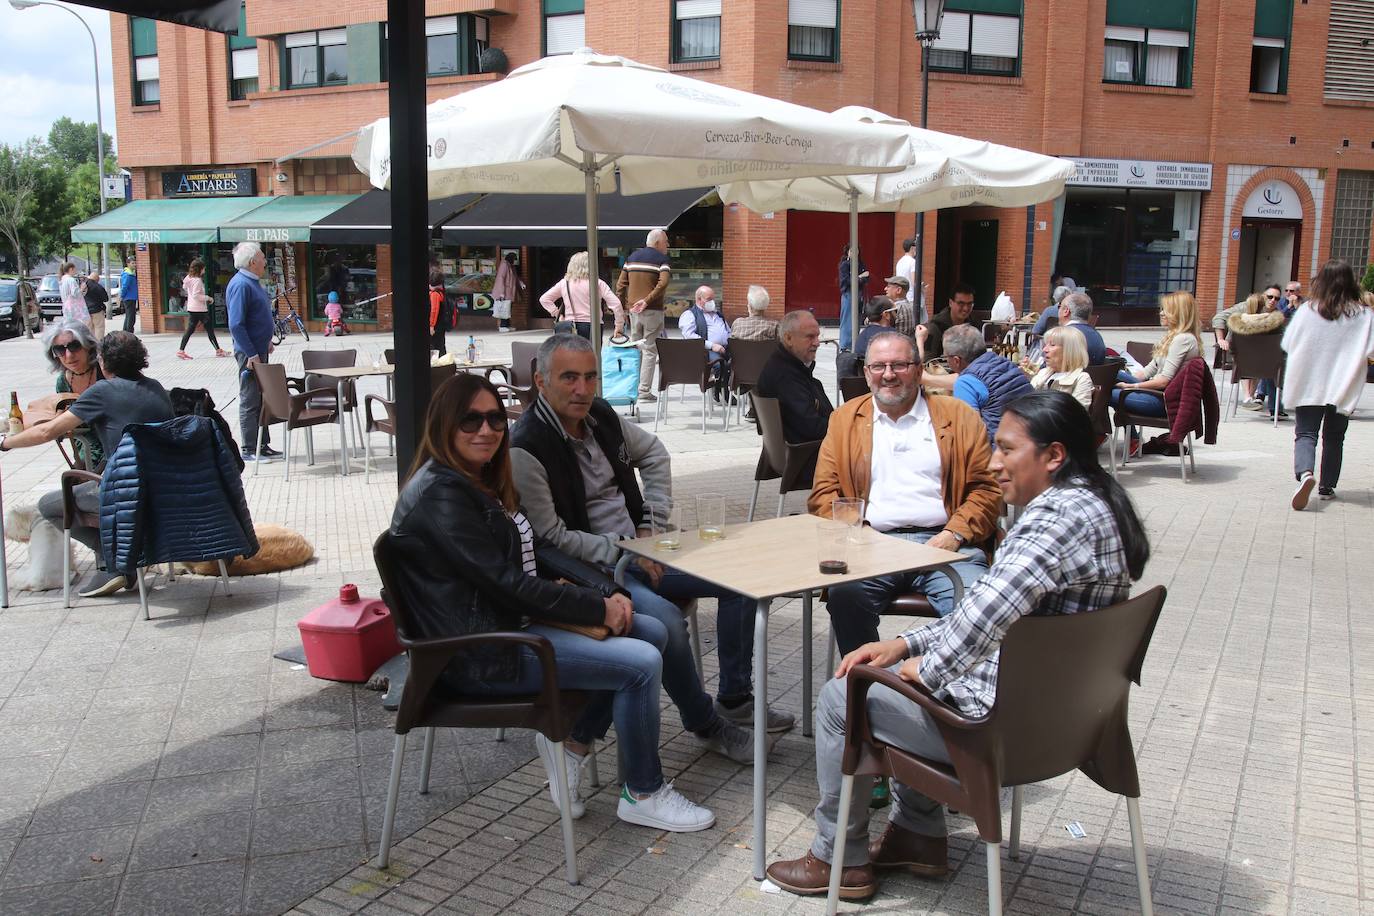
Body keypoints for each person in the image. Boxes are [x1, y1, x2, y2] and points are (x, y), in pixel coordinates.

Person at [767, 390, 1150, 900]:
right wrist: (904, 644)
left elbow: (983, 618)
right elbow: (990, 610)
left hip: (1004, 731)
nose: (994, 463)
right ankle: (917, 837)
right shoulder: (1100, 503)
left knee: (846, 695)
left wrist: (922, 669)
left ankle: (840, 859)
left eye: (1008, 450)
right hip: (1076, 723)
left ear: (1053, 455)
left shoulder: (1056, 519)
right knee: (895, 679)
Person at [390, 371, 715, 831]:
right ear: (444, 426)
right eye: (470, 421)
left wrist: (609, 591)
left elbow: (538, 550)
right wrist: (596, 608)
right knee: (639, 661)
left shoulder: (474, 479)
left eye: (494, 419)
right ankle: (643, 791)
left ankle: (573, 744)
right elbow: (508, 584)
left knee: (653, 628)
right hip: (479, 651)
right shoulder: (444, 495)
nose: (486, 431)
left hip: (507, 625)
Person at [509, 335, 759, 765]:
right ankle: (704, 724)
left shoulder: (601, 415)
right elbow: (551, 538)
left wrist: (650, 524)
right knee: (664, 624)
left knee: (740, 576)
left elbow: (655, 454)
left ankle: (734, 697)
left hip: (643, 548)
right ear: (541, 381)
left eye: (590, 377)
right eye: (569, 378)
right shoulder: (526, 447)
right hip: (594, 571)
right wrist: (626, 550)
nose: (582, 389)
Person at [810, 331, 1001, 657]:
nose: (888, 374)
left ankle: (943, 693)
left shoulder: (959, 417)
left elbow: (986, 489)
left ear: (918, 368)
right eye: (879, 366)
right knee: (846, 596)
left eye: (899, 365)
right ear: (866, 372)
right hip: (872, 546)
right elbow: (823, 495)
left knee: (977, 607)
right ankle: (864, 688)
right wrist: (862, 534)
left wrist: (954, 534)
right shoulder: (845, 420)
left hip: (946, 545)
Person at [0, 332, 174, 597]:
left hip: (124, 492)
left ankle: (113, 561)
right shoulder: (157, 388)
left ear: (102, 362)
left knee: (49, 505)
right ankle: (121, 561)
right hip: (164, 488)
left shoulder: (102, 391)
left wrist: (5, 444)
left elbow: (48, 432)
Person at [1282, 259, 1374, 509]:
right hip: (1343, 384)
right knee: (1334, 437)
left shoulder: (1307, 310)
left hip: (1309, 380)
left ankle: (1305, 474)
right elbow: (1371, 349)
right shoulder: (1364, 315)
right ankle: (1327, 486)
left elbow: (1288, 343)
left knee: (1305, 433)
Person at [1111, 290, 1203, 457]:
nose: (1161, 313)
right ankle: (1129, 439)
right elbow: (1148, 371)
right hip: (1154, 394)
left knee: (1106, 392)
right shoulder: (1172, 337)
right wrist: (1125, 377)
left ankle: (1117, 437)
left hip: (1162, 402)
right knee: (1108, 373)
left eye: (1165, 309)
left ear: (1178, 312)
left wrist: (1131, 385)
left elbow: (1163, 381)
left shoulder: (1183, 340)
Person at [756, 310, 834, 483]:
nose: (817, 343)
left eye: (818, 336)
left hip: (797, 452)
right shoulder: (785, 376)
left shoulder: (790, 366)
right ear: (789, 338)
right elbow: (812, 428)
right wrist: (845, 429)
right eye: (810, 337)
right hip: (803, 457)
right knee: (865, 454)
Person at [935, 324, 1034, 448]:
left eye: (946, 357)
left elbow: (967, 433)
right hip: (1032, 443)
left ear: (956, 360)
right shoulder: (1005, 363)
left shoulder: (965, 383)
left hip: (1000, 454)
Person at [226, 241, 281, 463]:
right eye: (261, 257)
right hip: (250, 354)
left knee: (261, 397)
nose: (264, 261)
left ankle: (263, 444)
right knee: (250, 399)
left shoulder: (251, 282)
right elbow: (236, 324)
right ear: (252, 262)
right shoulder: (241, 284)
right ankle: (249, 447)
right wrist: (251, 353)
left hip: (259, 350)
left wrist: (266, 340)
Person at [615, 229, 672, 402]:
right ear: (657, 243)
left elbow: (620, 285)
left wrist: (623, 308)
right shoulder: (662, 260)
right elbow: (663, 283)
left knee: (636, 348)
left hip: (634, 312)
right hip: (652, 311)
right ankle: (644, 391)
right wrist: (646, 301)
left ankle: (633, 386)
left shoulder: (631, 258)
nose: (668, 245)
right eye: (666, 241)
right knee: (649, 350)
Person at [42, 318, 106, 467]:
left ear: (88, 345)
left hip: (113, 446)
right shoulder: (62, 382)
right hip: (85, 449)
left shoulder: (104, 371)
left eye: (74, 346)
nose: (69, 355)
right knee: (73, 482)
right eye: (60, 350)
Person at [540, 251, 622, 340]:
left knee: (572, 353)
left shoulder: (565, 283)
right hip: (594, 325)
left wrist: (557, 314)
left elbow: (544, 299)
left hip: (570, 325)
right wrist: (619, 325)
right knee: (592, 352)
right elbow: (616, 304)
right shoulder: (598, 283)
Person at [679, 284, 731, 401]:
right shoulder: (690, 314)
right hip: (704, 350)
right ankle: (721, 390)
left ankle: (728, 386)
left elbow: (728, 331)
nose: (712, 302)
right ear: (699, 300)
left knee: (740, 362)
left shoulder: (717, 314)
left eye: (713, 299)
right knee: (718, 364)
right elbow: (689, 336)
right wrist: (712, 345)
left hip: (725, 347)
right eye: (709, 299)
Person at [1029, 325, 1093, 409]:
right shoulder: (1043, 372)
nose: (1045, 349)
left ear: (1069, 350)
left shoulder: (1081, 378)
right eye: (1045, 344)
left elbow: (1077, 415)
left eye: (1052, 345)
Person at [176, 259, 228, 359]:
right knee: (209, 330)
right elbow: (196, 295)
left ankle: (181, 350)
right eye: (203, 268)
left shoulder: (189, 278)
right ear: (200, 269)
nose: (204, 270)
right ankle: (218, 350)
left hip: (191, 308)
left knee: (190, 330)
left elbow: (184, 286)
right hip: (200, 309)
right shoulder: (198, 281)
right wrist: (208, 298)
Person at [918, 282, 975, 361]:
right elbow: (927, 361)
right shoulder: (935, 327)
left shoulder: (972, 324)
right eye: (961, 304)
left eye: (969, 304)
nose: (966, 308)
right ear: (950, 303)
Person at [1055, 291, 1107, 366]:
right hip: (1096, 377)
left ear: (1066, 311)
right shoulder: (1097, 336)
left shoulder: (1061, 336)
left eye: (1059, 307)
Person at [837, 244, 868, 352]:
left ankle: (855, 343)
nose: (854, 252)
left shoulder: (860, 264)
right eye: (852, 250)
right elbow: (846, 281)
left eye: (856, 250)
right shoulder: (845, 265)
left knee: (857, 318)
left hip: (859, 294)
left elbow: (867, 277)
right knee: (847, 319)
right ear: (848, 252)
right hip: (848, 294)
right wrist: (859, 277)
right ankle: (845, 345)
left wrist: (859, 278)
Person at [491, 251, 525, 333]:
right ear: (510, 258)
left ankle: (507, 325)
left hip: (510, 292)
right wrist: (501, 292)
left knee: (508, 308)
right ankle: (502, 326)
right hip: (504, 292)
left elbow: (516, 277)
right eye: (513, 259)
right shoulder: (504, 265)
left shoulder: (511, 266)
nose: (514, 261)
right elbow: (501, 278)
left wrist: (521, 284)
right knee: (504, 308)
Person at [81, 269, 108, 341]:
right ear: (97, 279)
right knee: (99, 327)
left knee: (89, 328)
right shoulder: (98, 287)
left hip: (86, 310)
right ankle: (98, 344)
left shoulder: (83, 285)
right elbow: (106, 298)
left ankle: (89, 343)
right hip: (97, 310)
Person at [428, 270, 449, 356]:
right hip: (440, 325)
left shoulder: (435, 294)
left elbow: (434, 310)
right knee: (440, 346)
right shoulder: (441, 292)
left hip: (436, 326)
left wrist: (431, 326)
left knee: (435, 347)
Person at [119, 258, 139, 332]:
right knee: (131, 317)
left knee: (129, 316)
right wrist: (122, 296)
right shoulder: (128, 274)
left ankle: (125, 332)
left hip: (131, 297)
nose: (135, 265)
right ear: (128, 264)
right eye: (133, 263)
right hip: (129, 297)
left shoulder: (131, 273)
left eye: (135, 263)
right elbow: (125, 286)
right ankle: (129, 333)